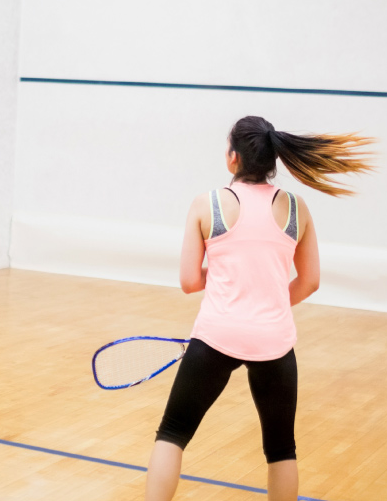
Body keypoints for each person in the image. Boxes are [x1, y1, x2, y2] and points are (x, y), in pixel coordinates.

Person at [145, 116, 373, 500]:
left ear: (232, 157)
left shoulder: (207, 204)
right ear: (273, 159)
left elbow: (189, 281)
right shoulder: (297, 208)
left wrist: (226, 277)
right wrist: (266, 298)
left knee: (172, 433)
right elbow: (310, 281)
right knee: (282, 449)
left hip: (215, 337)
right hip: (274, 341)